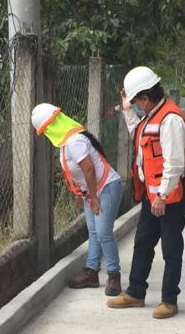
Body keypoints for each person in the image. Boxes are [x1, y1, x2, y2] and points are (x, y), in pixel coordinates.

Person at [107, 67, 185, 320]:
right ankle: (135, 293)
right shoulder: (151, 117)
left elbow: (175, 164)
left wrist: (162, 196)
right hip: (154, 195)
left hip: (171, 195)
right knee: (143, 243)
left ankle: (169, 300)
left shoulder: (170, 120)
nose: (136, 105)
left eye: (136, 101)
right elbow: (138, 135)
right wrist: (127, 111)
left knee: (171, 248)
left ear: (145, 97)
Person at [31, 103, 123, 295]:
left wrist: (94, 197)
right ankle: (92, 273)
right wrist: (79, 193)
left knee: (103, 232)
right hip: (91, 190)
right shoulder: (66, 143)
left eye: (46, 129)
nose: (47, 134)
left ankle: (114, 276)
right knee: (94, 232)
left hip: (106, 187)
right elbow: (74, 171)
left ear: (53, 125)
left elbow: (88, 169)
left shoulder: (74, 141)